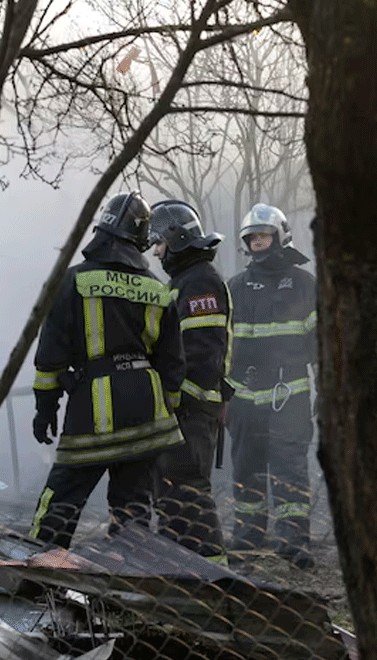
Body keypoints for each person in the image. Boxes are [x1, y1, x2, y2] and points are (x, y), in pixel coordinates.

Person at [28, 191, 187, 549]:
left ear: (103, 229)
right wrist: (167, 408)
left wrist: (45, 409)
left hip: (93, 412)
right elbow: (173, 362)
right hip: (147, 416)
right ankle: (132, 570)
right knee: (133, 508)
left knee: (62, 498)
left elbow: (51, 357)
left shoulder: (73, 281)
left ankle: (40, 566)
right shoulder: (158, 289)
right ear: (140, 239)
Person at [225, 203, 318, 569]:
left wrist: (327, 392)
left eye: (264, 236)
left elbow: (323, 343)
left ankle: (295, 543)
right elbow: (222, 347)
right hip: (244, 399)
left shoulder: (303, 285)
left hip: (289, 396)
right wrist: (222, 397)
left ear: (280, 237)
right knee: (246, 473)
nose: (258, 243)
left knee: (290, 472)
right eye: (252, 239)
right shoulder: (235, 288)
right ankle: (248, 540)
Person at [146, 199, 231, 564]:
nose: (155, 252)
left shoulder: (199, 283)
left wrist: (175, 399)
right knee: (172, 498)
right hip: (182, 411)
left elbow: (200, 355)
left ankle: (216, 579)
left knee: (189, 494)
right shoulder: (186, 280)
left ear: (176, 238)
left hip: (190, 412)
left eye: (159, 242)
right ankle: (179, 575)